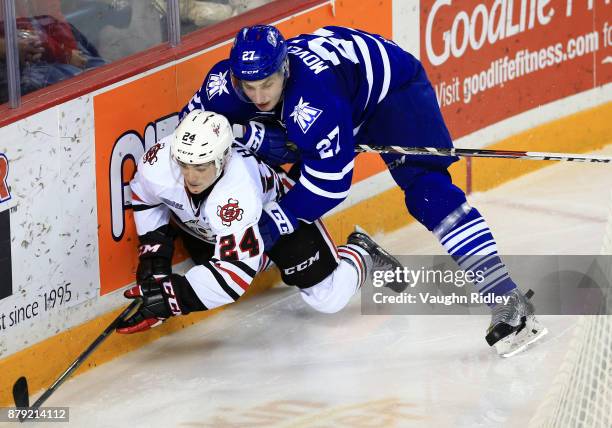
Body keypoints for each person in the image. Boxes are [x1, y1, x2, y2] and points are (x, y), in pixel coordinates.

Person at [179, 25, 548, 357]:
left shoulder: (314, 101)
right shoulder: (222, 88)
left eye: (268, 85)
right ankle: (359, 254)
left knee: (428, 194)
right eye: (249, 86)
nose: (259, 96)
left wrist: (273, 225)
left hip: (392, 94)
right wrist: (258, 140)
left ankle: (507, 297)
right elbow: (189, 133)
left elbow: (329, 185)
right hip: (339, 98)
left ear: (285, 69)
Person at [116, 109, 401, 334]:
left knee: (328, 298)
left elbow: (233, 279)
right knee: (213, 260)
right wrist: (155, 255)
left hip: (278, 217)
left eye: (200, 167)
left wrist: (170, 299)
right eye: (184, 165)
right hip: (221, 233)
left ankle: (362, 252)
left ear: (222, 159)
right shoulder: (159, 163)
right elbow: (144, 194)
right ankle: (259, 258)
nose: (190, 176)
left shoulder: (237, 193)